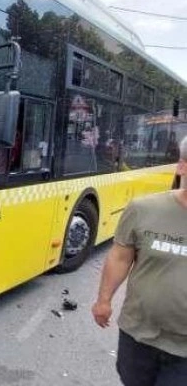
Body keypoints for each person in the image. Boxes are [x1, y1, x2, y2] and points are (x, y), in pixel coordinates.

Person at [92, 135, 187, 386]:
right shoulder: (143, 209)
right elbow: (120, 257)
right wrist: (103, 300)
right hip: (138, 335)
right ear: (182, 166)